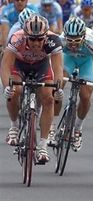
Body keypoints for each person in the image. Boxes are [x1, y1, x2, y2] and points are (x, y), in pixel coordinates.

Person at [0, 14, 64, 163]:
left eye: (40, 39)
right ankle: (14, 126)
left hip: (41, 66)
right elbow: (5, 66)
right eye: (32, 39)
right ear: (26, 35)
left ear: (45, 36)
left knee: (48, 99)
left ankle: (42, 145)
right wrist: (6, 87)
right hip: (19, 65)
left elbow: (58, 67)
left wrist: (58, 88)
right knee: (15, 91)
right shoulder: (17, 38)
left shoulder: (53, 40)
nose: (36, 43)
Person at [47, 17, 93, 152]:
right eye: (70, 41)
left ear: (83, 36)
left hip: (87, 62)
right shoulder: (61, 40)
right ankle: (51, 126)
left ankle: (77, 129)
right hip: (68, 60)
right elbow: (53, 62)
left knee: (85, 96)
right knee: (57, 87)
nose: (72, 45)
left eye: (76, 41)